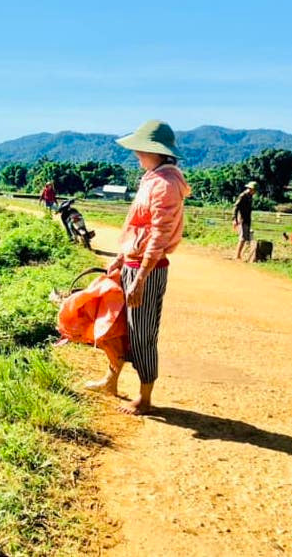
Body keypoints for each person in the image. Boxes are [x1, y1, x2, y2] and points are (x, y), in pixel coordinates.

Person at [86, 120, 190, 415]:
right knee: (118, 326)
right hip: (132, 263)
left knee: (142, 334)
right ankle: (111, 379)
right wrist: (121, 257)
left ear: (154, 151)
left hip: (147, 268)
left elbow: (158, 235)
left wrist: (140, 277)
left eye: (140, 150)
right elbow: (137, 225)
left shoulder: (166, 184)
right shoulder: (152, 178)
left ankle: (145, 398)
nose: (136, 155)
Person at [233, 181, 258, 260]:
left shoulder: (250, 196)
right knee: (243, 238)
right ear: (251, 189)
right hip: (242, 219)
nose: (255, 192)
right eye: (254, 190)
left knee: (246, 238)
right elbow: (236, 207)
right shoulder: (243, 196)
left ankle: (241, 255)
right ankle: (237, 255)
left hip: (247, 219)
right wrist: (234, 219)